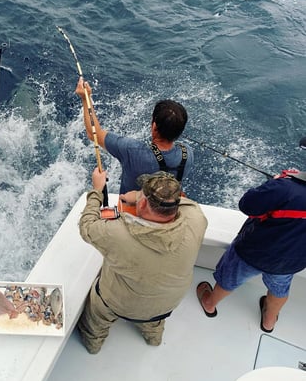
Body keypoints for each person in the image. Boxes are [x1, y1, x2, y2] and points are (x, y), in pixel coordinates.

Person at [77, 169, 208, 353]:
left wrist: (97, 190)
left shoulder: (116, 233)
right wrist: (139, 197)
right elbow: (187, 204)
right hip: (166, 305)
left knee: (98, 315)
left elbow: (86, 226)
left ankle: (93, 344)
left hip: (118, 304)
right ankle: (153, 338)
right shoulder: (196, 219)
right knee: (154, 319)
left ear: (144, 202)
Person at [196, 170, 306, 333]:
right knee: (280, 288)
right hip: (293, 260)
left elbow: (247, 205)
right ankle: (269, 322)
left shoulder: (285, 187)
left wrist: (274, 184)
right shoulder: (287, 187)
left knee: (230, 279)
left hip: (255, 252)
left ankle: (209, 303)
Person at [75, 78, 194, 205]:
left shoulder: (131, 150)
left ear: (154, 126)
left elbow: (94, 134)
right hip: (166, 212)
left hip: (132, 213)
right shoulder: (187, 153)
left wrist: (85, 97)